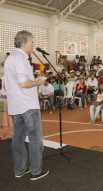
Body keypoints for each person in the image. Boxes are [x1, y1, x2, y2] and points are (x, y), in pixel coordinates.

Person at [4, 30, 49, 180]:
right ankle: (35, 171)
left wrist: (33, 78)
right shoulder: (21, 59)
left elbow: (12, 83)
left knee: (18, 138)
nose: (33, 45)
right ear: (24, 43)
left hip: (16, 105)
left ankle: (19, 169)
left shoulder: (10, 58)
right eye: (32, 42)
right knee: (36, 139)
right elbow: (23, 83)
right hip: (28, 105)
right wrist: (39, 81)